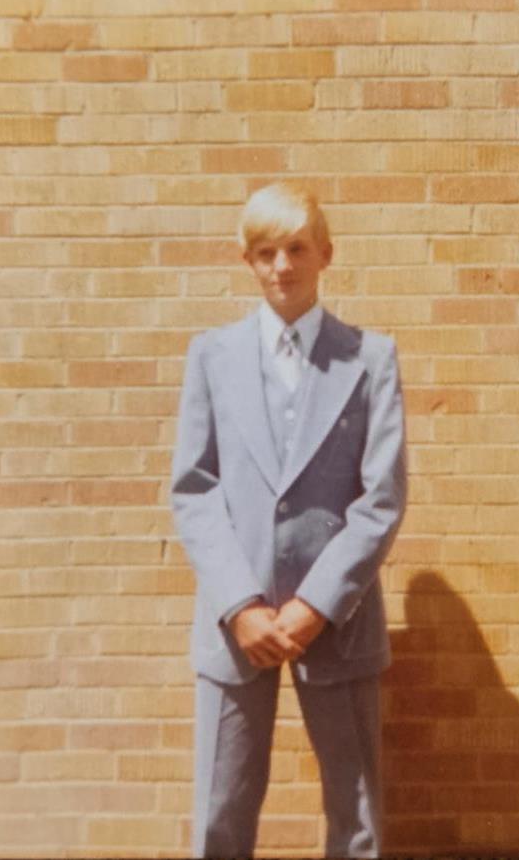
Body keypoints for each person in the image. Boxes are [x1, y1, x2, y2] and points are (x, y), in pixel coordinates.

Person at [170, 183, 407, 858]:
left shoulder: (369, 358)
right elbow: (194, 489)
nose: (282, 266)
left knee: (356, 816)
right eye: (266, 252)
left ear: (325, 254)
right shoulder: (212, 356)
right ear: (247, 261)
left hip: (337, 618)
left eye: (297, 249)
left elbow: (382, 497)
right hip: (234, 623)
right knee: (220, 812)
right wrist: (240, 604)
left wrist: (316, 604)